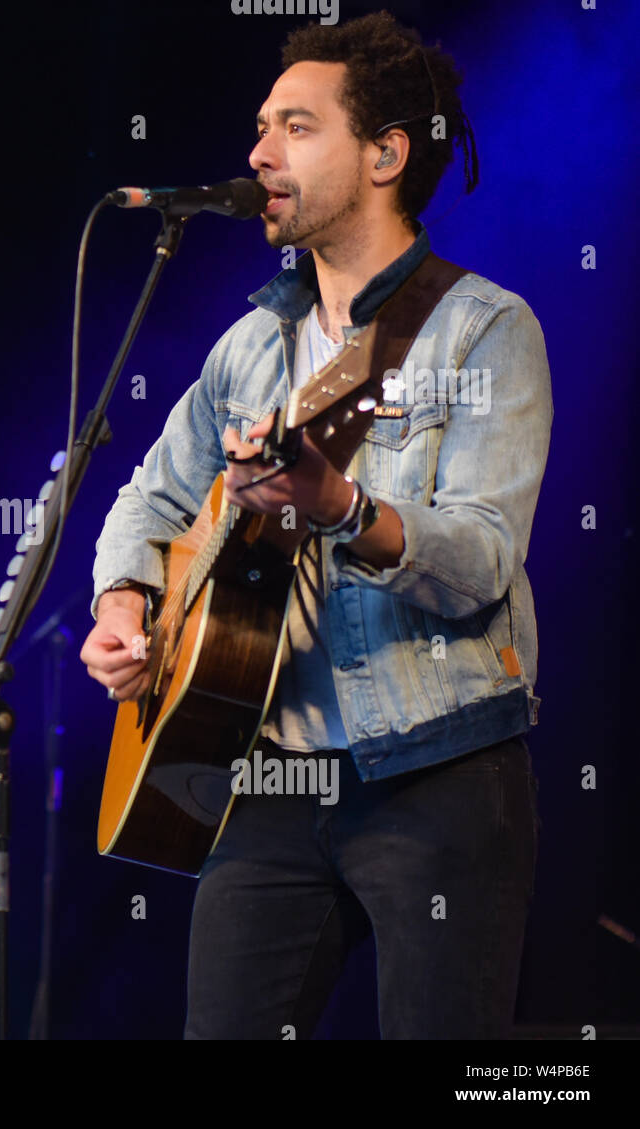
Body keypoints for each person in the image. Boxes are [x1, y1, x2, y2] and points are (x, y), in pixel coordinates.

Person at [80, 13, 550, 1039]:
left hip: (437, 773)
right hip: (268, 781)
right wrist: (125, 601)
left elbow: (478, 559)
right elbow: (148, 502)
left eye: (295, 126)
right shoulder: (247, 347)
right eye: (259, 128)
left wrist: (335, 504)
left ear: (383, 153)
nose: (255, 154)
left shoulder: (482, 329)